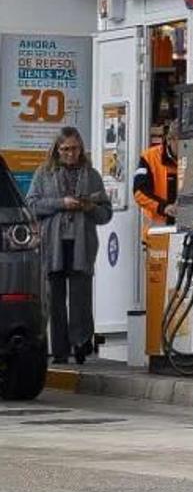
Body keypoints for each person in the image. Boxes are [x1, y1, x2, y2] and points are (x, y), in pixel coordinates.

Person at [26, 127, 112, 364]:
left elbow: (106, 214)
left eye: (74, 148)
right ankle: (60, 350)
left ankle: (81, 343)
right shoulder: (44, 173)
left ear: (81, 148)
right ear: (56, 150)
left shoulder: (91, 174)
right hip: (53, 245)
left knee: (80, 297)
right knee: (55, 298)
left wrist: (89, 207)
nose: (70, 154)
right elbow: (32, 205)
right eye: (65, 149)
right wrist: (61, 203)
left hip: (81, 244)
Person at [133, 122, 179, 357]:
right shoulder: (149, 157)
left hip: (183, 236)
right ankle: (157, 346)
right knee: (158, 294)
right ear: (168, 139)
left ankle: (177, 342)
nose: (180, 147)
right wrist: (164, 208)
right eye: (177, 141)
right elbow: (139, 192)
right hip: (157, 237)